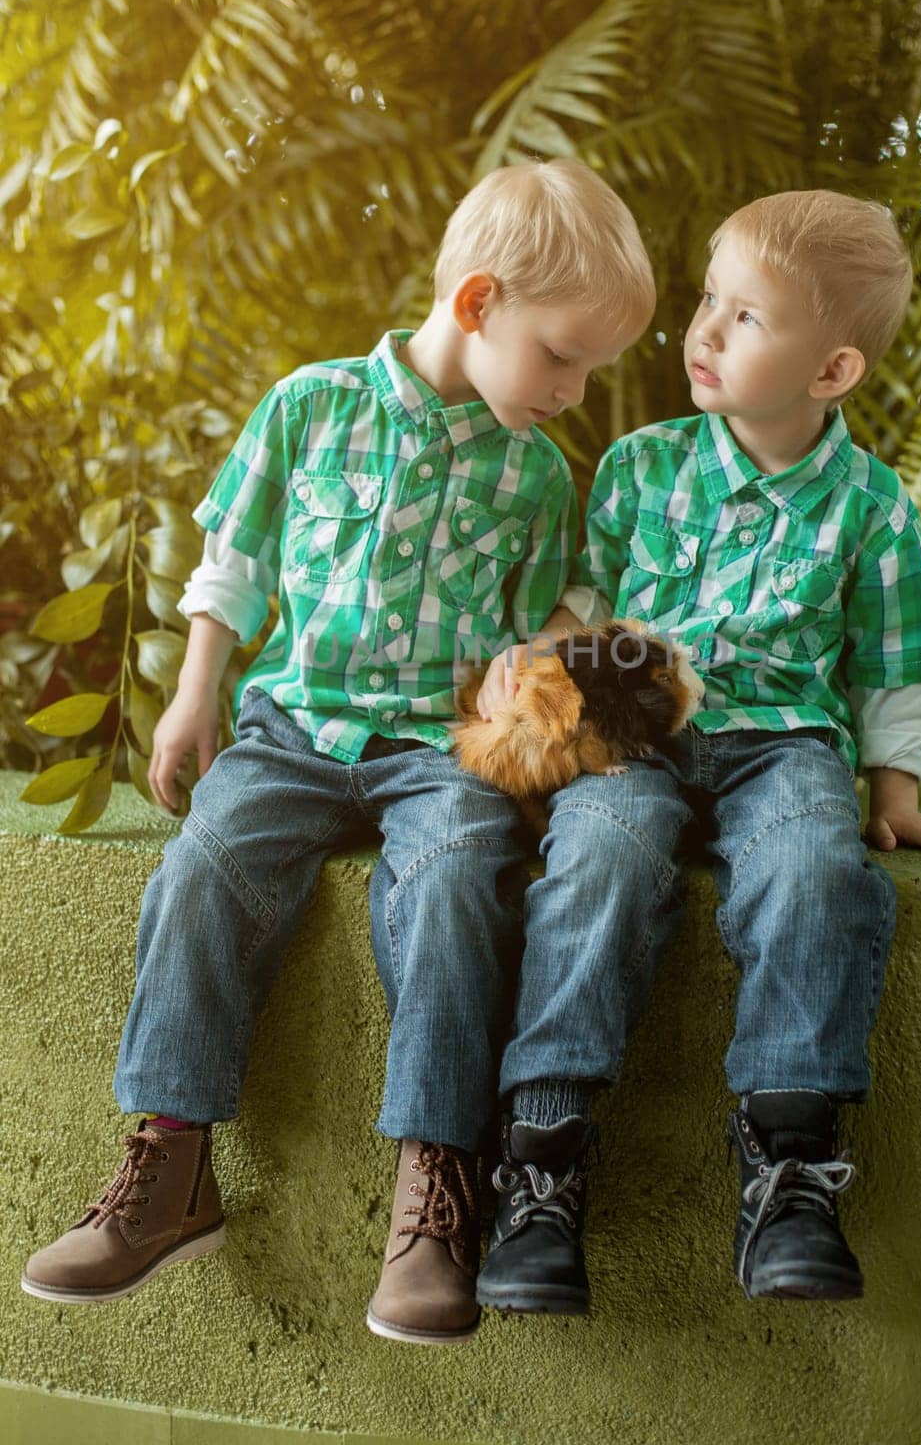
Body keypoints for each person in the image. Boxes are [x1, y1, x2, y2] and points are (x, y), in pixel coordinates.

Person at [22, 157, 689, 1346]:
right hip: (291, 727)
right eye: (561, 357)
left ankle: (436, 1192)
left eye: (589, 368)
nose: (577, 391)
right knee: (201, 869)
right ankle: (171, 1164)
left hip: (433, 750)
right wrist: (194, 694)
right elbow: (232, 561)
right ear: (478, 302)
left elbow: (543, 618)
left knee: (451, 885)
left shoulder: (536, 473)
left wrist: (524, 658)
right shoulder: (309, 406)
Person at [518, 189, 921, 1302]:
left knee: (813, 868)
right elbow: (577, 610)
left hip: (783, 749)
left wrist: (897, 794)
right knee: (595, 857)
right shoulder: (640, 467)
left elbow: (891, 661)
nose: (703, 332)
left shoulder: (873, 510)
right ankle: (539, 1159)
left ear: (828, 373)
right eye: (705, 304)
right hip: (640, 740)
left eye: (744, 318)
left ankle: (787, 1167)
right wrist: (553, 692)